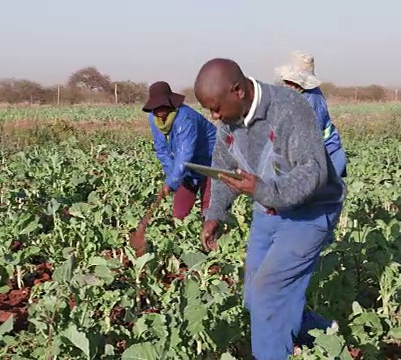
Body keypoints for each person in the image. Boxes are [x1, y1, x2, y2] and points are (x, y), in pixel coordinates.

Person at [194, 58, 347, 359]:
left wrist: (262, 190)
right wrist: (215, 214)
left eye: (216, 107)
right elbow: (224, 170)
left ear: (237, 90)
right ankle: (321, 332)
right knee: (254, 298)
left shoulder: (289, 108)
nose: (214, 116)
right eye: (209, 109)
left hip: (310, 212)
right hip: (268, 213)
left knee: (268, 296)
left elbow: (313, 172)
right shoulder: (228, 122)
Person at [142, 81, 217, 220]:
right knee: (179, 213)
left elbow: (185, 152)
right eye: (155, 107)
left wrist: (172, 181)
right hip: (187, 165)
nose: (158, 111)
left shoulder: (185, 117)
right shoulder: (155, 119)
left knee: (209, 210)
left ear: (170, 103)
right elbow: (161, 148)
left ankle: (212, 238)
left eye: (161, 106)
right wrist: (171, 177)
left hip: (212, 159)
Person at [276, 51, 347, 178]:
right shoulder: (291, 94)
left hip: (327, 156)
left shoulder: (312, 101)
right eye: (287, 81)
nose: (288, 85)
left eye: (293, 82)